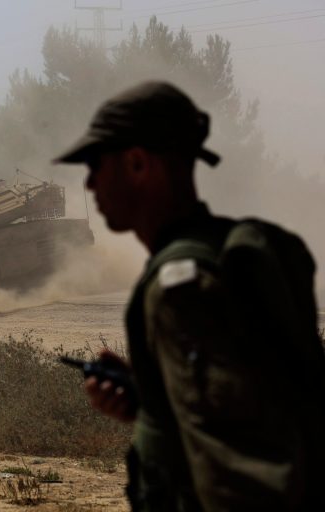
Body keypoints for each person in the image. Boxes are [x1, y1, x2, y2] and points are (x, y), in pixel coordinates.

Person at [54, 81, 325, 511]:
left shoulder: (183, 287)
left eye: (95, 165)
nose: (89, 184)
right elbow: (266, 399)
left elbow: (244, 473)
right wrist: (154, 399)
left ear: (139, 163)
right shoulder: (249, 246)